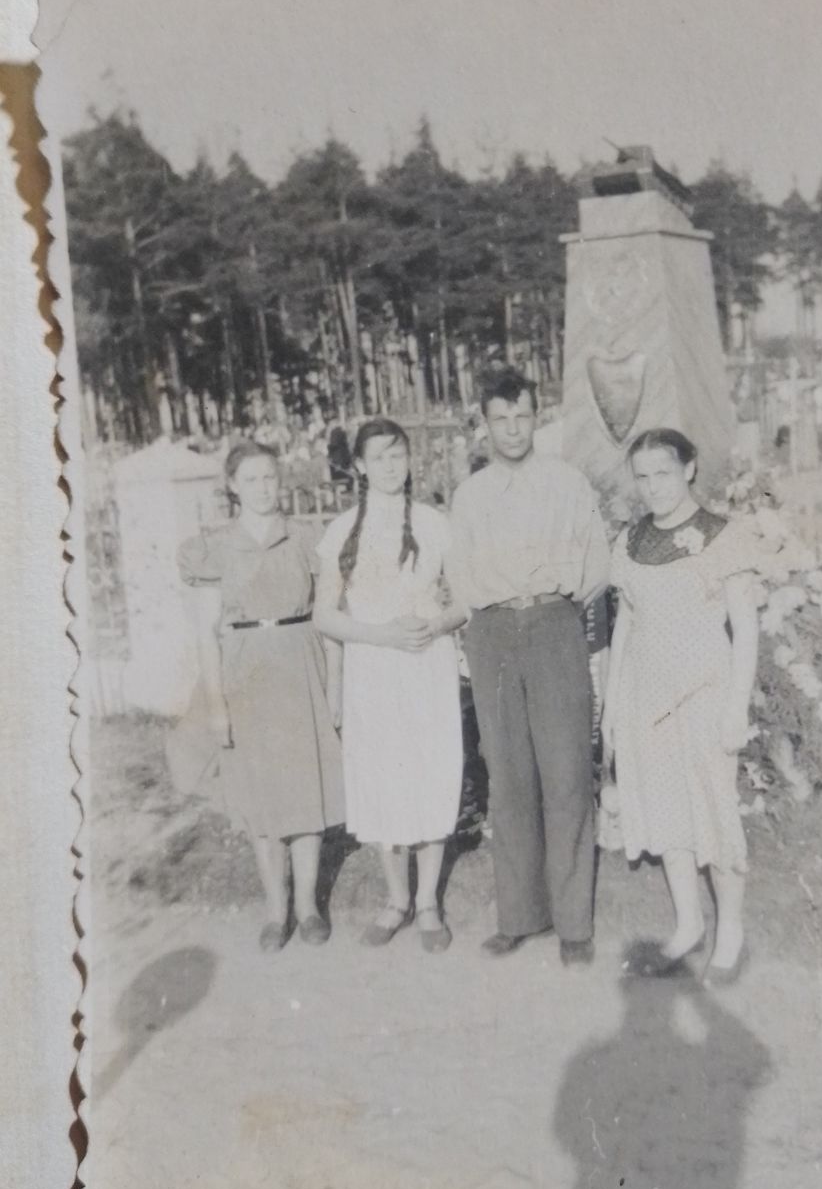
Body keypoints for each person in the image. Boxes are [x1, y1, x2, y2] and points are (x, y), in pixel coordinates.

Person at [449, 367, 610, 968]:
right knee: (509, 775)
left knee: (566, 772)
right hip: (493, 632)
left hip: (553, 626)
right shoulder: (471, 496)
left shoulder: (567, 483)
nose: (513, 430)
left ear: (536, 418)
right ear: (485, 424)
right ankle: (519, 916)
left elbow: (598, 564)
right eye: (501, 420)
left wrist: (557, 606)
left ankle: (573, 924)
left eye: (522, 417)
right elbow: (460, 574)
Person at [601, 428, 760, 985]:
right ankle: (689, 925)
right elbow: (626, 623)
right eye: (642, 477)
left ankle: (730, 931)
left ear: (689, 469)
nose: (653, 487)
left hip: (704, 691)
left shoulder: (723, 536)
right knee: (667, 809)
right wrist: (612, 704)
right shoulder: (631, 541)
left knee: (715, 808)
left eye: (663, 473)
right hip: (646, 695)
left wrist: (736, 708)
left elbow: (745, 629)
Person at [178, 440, 345, 952]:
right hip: (246, 675)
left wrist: (334, 688)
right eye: (250, 480)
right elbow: (205, 634)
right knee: (261, 794)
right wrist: (216, 704)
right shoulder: (215, 548)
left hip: (301, 665)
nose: (263, 488)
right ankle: (276, 910)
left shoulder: (305, 539)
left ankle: (309, 907)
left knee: (306, 788)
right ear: (233, 486)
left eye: (270, 477)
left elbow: (330, 618)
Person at [314, 418, 466, 953]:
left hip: (425, 666)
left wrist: (436, 625)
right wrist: (379, 635)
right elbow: (324, 616)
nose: (389, 466)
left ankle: (427, 902)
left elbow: (466, 601)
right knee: (383, 778)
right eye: (377, 457)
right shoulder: (341, 531)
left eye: (397, 455)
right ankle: (396, 899)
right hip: (373, 670)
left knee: (428, 773)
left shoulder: (434, 523)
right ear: (359, 465)